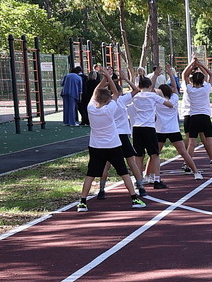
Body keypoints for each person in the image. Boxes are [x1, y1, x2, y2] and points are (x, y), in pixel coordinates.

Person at [73, 82, 147, 210]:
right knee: (124, 173)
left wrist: (103, 79)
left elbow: (96, 91)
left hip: (96, 147)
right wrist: (108, 78)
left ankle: (82, 202)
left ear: (95, 98)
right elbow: (116, 93)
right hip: (113, 146)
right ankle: (134, 199)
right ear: (108, 100)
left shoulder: (91, 108)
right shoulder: (110, 108)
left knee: (90, 174)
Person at [154, 74, 196, 181]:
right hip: (172, 130)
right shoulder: (174, 98)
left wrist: (155, 76)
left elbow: (150, 89)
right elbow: (175, 88)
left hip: (161, 130)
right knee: (183, 152)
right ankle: (196, 171)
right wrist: (171, 75)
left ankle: (148, 175)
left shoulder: (157, 100)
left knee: (155, 155)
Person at [182, 62, 212, 173]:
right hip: (205, 117)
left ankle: (187, 165)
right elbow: (211, 75)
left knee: (192, 143)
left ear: (192, 81)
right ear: (203, 80)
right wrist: (200, 65)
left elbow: (185, 75)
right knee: (210, 142)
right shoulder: (206, 88)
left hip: (194, 117)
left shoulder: (190, 89)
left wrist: (192, 64)